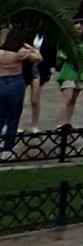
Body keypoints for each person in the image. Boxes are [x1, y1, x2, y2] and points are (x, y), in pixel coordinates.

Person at [0, 27, 42, 158]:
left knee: (0, 115)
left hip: (1, 82)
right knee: (13, 117)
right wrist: (31, 48)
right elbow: (39, 58)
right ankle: (7, 149)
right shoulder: (21, 52)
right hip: (15, 83)